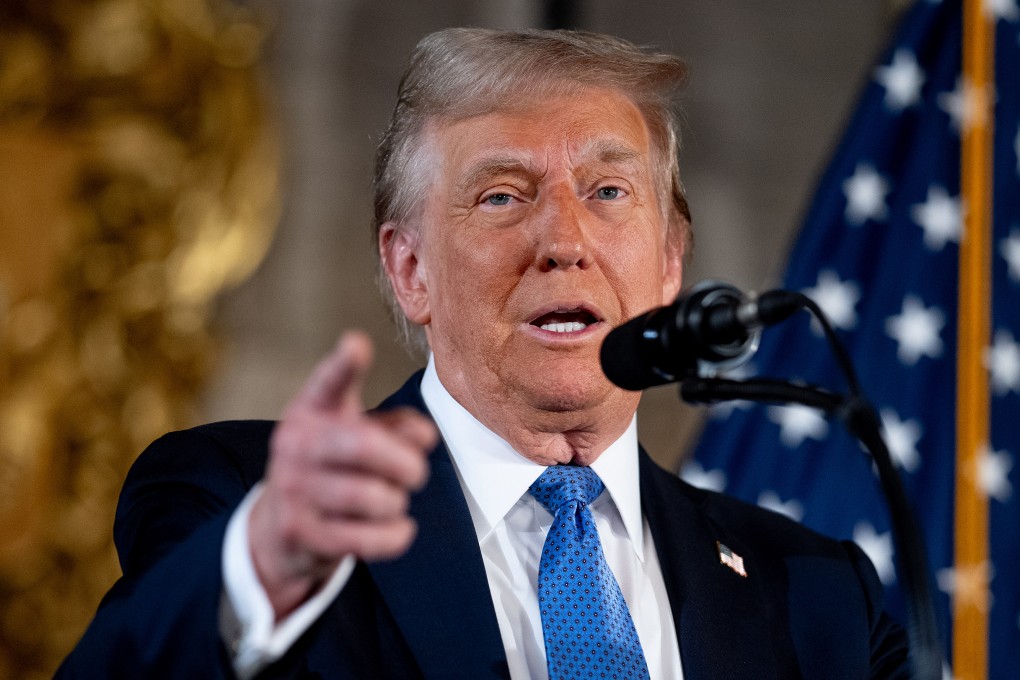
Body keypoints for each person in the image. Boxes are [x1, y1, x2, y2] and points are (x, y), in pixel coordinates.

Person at [58, 28, 909, 679]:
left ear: (670, 264)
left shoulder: (818, 597)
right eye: (503, 195)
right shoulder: (244, 503)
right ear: (409, 269)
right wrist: (256, 571)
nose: (564, 241)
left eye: (608, 191)